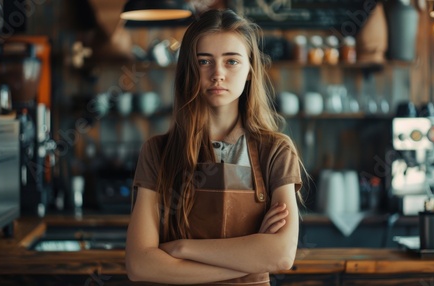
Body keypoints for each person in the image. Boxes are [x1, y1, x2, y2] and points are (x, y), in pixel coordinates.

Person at [126, 8, 304, 285]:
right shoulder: (157, 151)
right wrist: (250, 262)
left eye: (231, 61)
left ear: (249, 70)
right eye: (204, 61)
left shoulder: (276, 150)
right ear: (189, 70)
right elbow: (140, 265)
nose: (217, 74)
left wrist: (182, 248)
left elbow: (281, 256)